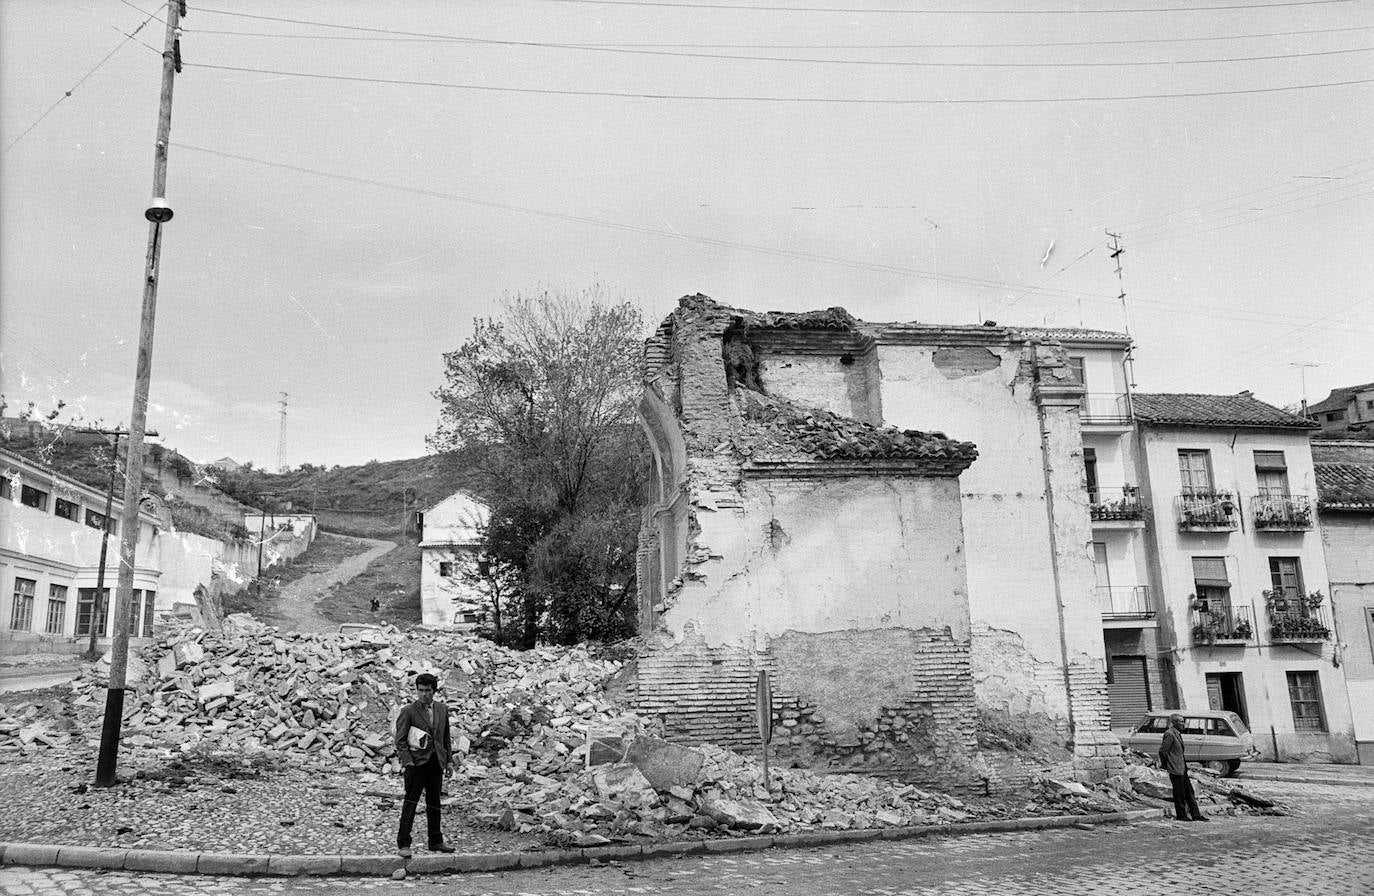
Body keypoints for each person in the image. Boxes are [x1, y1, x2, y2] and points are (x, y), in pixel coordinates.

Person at [394, 672, 455, 856]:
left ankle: (435, 841)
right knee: (410, 803)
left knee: (434, 803)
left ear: (434, 691)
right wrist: (409, 763)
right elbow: (400, 740)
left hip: (436, 763)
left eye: (427, 691)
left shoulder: (442, 709)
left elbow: (445, 738)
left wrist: (449, 761)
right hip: (416, 764)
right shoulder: (408, 711)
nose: (424, 695)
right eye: (420, 691)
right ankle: (404, 844)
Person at [1158, 713, 1207, 822]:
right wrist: (1167, 765)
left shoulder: (1177, 733)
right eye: (1181, 722)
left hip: (1182, 767)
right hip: (1175, 768)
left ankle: (1196, 814)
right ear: (1174, 723)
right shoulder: (1169, 734)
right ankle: (1181, 815)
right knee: (1179, 793)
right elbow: (1163, 751)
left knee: (1189, 792)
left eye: (1183, 721)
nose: (1183, 724)